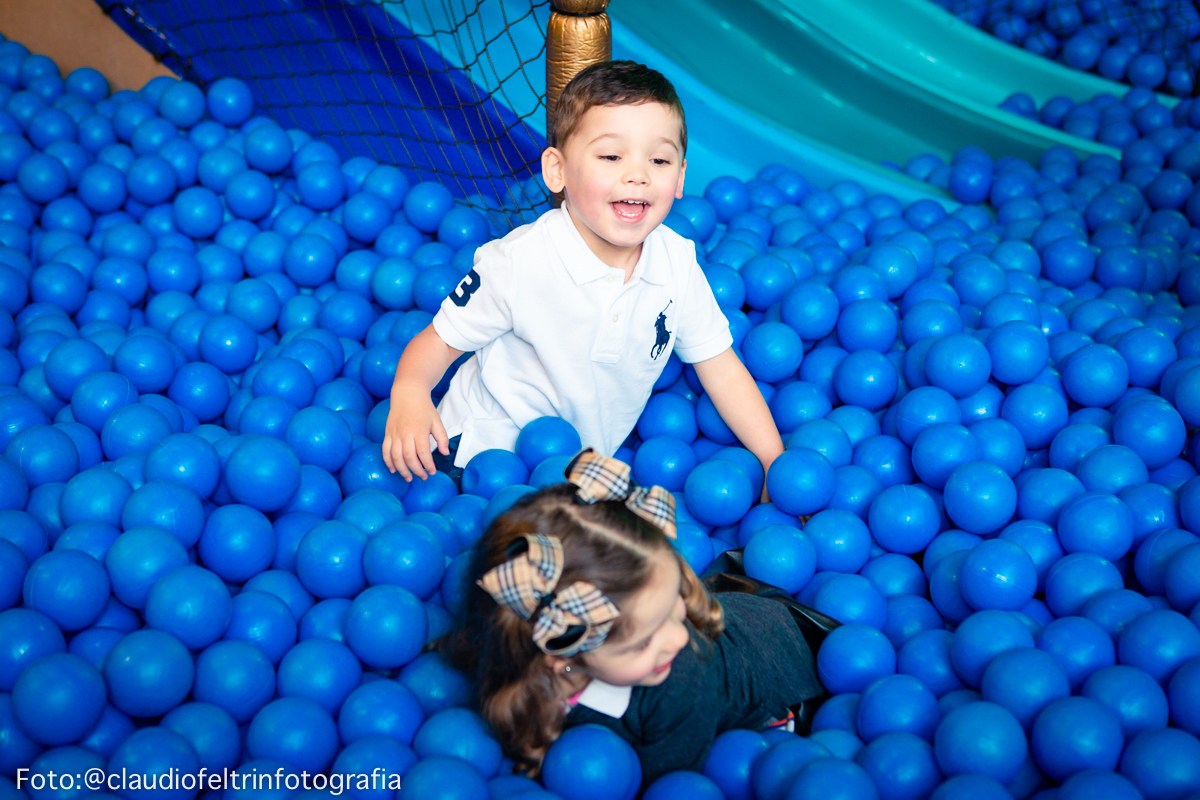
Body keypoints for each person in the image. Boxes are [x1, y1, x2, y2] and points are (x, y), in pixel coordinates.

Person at [381, 60, 784, 494]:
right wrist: (409, 391)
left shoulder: (677, 263)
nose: (638, 174)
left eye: (659, 159)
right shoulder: (520, 260)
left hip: (579, 469)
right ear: (558, 171)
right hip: (478, 455)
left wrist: (772, 463)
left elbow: (720, 367)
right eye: (611, 156)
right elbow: (439, 340)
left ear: (681, 176)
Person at [439, 450, 826, 785]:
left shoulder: (681, 673)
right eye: (643, 641)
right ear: (559, 657)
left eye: (673, 604)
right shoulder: (523, 651)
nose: (677, 637)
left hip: (779, 673)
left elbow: (667, 781)